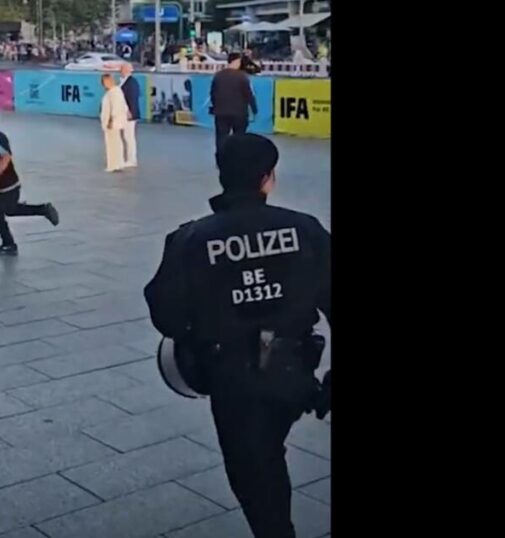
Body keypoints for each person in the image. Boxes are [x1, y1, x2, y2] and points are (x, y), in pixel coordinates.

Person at [144, 133, 331, 538]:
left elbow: (167, 317)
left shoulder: (191, 239)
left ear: (221, 176)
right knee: (270, 448)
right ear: (268, 177)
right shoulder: (306, 230)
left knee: (255, 474)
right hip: (294, 373)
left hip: (232, 379)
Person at [0, 107, 60, 256]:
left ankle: (11, 242)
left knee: (4, 211)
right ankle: (9, 242)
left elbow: (5, 157)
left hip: (6, 185)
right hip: (3, 186)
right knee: (4, 210)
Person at [210, 53, 258, 168]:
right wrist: (254, 109)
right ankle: (237, 160)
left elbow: (212, 94)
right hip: (239, 112)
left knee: (221, 137)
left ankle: (221, 161)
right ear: (236, 61)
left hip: (221, 112)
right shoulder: (242, 77)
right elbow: (249, 95)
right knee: (239, 138)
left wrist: (215, 106)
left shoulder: (218, 76)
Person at [99, 73, 129, 173]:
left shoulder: (114, 92)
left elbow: (115, 108)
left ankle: (113, 164)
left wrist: (111, 120)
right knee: (116, 142)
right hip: (114, 121)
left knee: (112, 144)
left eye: (104, 82)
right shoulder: (115, 91)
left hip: (112, 122)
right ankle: (118, 163)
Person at [119, 63, 141, 169]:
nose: (120, 70)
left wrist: (130, 112)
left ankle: (131, 160)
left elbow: (132, 98)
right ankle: (128, 158)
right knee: (126, 136)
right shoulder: (125, 81)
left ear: (128, 70)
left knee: (129, 137)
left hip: (129, 114)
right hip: (124, 113)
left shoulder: (131, 82)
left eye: (122, 69)